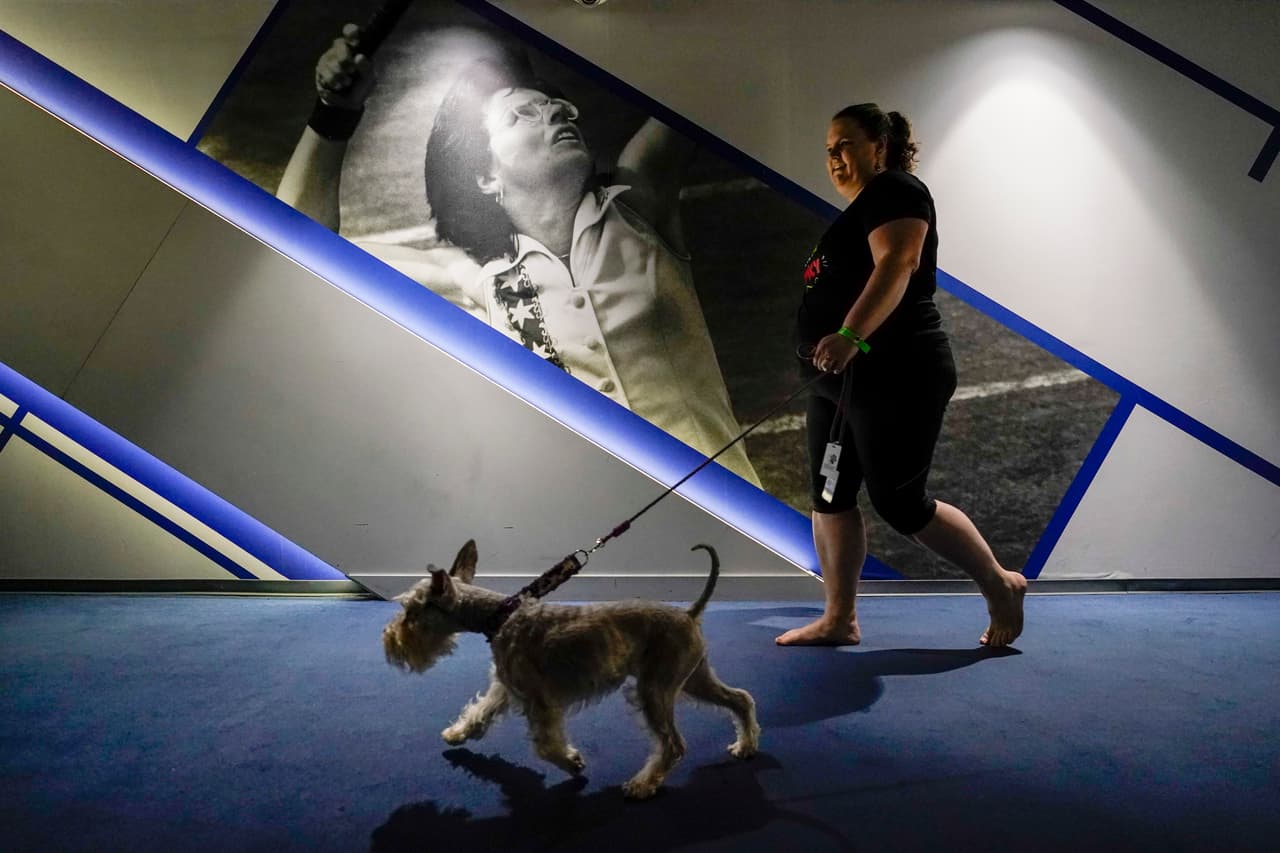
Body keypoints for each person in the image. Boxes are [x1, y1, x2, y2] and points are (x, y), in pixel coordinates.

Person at [276, 24, 760, 486]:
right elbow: (295, 244)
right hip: (604, 538)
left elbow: (704, 69)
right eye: (520, 116)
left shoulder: (638, 205)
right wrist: (334, 112)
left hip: (730, 511)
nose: (552, 113)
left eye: (556, 107)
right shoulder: (475, 281)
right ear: (485, 177)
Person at [775, 103, 1026, 648]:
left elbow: (899, 262)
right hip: (836, 382)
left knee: (900, 503)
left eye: (845, 144)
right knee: (830, 496)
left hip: (895, 370)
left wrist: (853, 334)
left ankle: (1000, 584)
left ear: (879, 145)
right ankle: (839, 618)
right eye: (828, 149)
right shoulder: (857, 211)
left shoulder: (897, 191)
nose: (834, 157)